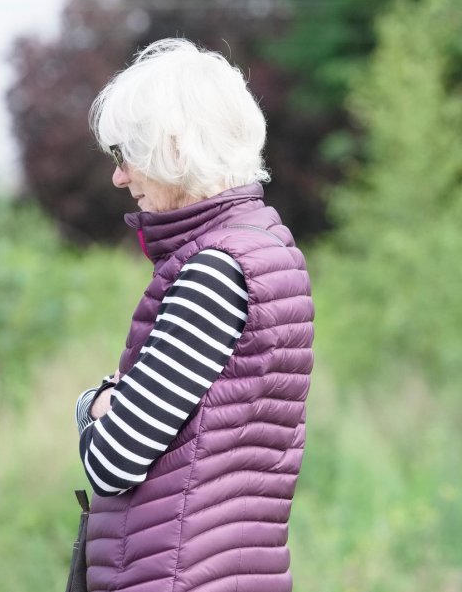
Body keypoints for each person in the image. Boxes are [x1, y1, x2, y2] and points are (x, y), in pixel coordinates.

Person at [72, 39, 314, 592]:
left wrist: (93, 403)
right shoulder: (267, 247)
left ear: (174, 149)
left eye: (125, 154)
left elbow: (112, 461)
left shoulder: (213, 272)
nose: (119, 176)